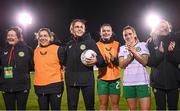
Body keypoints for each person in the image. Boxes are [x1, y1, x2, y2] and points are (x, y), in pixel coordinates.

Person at [63, 19, 105, 110]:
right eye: (77, 27)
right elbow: (64, 62)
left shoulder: (90, 42)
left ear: (84, 29)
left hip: (87, 81)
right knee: (72, 108)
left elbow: (101, 60)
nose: (79, 29)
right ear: (72, 29)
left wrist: (96, 60)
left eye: (81, 27)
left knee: (90, 107)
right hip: (71, 81)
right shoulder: (69, 44)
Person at [146, 20, 179, 110]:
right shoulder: (151, 42)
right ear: (156, 28)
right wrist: (159, 53)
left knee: (173, 108)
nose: (163, 27)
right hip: (157, 82)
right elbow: (149, 63)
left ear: (169, 28)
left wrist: (171, 52)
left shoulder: (176, 40)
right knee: (160, 108)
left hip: (174, 81)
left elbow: (178, 60)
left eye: (165, 26)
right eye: (160, 26)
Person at [0, 26, 34, 110]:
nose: (10, 37)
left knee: (21, 109)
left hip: (22, 86)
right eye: (8, 35)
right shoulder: (2, 50)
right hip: (6, 86)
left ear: (18, 37)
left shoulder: (27, 49)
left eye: (12, 35)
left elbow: (32, 66)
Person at [119, 25, 151, 110]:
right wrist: (129, 57)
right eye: (125, 35)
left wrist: (134, 51)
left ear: (134, 35)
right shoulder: (122, 48)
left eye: (130, 34)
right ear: (123, 37)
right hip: (128, 83)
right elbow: (121, 65)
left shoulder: (143, 45)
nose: (128, 36)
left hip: (142, 82)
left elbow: (144, 62)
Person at [33, 28, 64, 110]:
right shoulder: (35, 51)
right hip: (39, 86)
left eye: (45, 36)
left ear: (50, 37)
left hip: (55, 86)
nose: (43, 38)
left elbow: (65, 64)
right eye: (41, 36)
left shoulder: (58, 49)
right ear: (38, 38)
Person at [96, 24, 120, 110]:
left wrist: (113, 60)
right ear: (100, 33)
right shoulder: (96, 45)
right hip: (102, 79)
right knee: (103, 104)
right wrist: (104, 61)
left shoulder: (117, 44)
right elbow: (97, 63)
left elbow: (119, 63)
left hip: (115, 78)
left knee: (115, 105)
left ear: (111, 32)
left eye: (108, 30)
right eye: (104, 31)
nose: (106, 32)